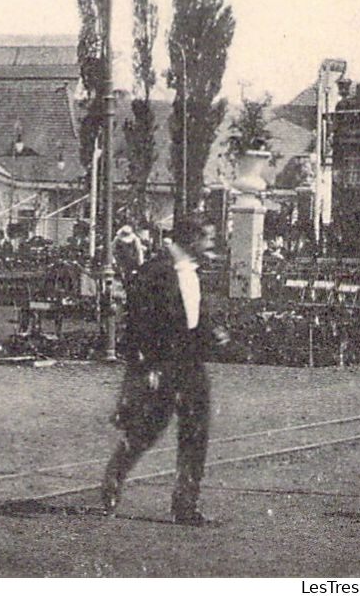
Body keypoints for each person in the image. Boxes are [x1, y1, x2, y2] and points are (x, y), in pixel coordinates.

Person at [100, 216, 229, 526]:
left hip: (191, 364)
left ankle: (185, 506)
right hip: (161, 365)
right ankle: (115, 474)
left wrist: (213, 332)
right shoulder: (155, 271)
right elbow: (139, 324)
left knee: (196, 434)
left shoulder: (195, 272)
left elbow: (193, 313)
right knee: (148, 429)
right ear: (191, 239)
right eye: (207, 237)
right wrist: (146, 366)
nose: (211, 244)